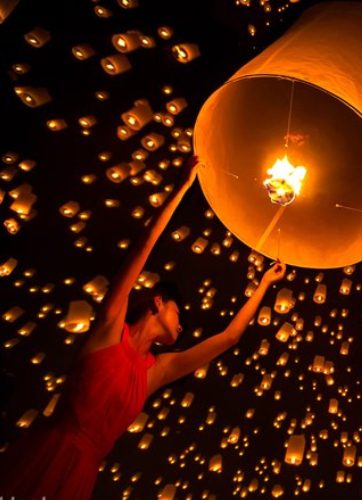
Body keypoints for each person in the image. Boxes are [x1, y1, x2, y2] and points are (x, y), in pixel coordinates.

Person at [0, 155, 287, 499]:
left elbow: (229, 337)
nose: (182, 328)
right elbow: (145, 244)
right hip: (47, 450)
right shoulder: (109, 329)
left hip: (82, 474)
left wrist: (265, 285)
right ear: (156, 302)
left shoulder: (156, 371)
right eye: (178, 314)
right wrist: (181, 187)